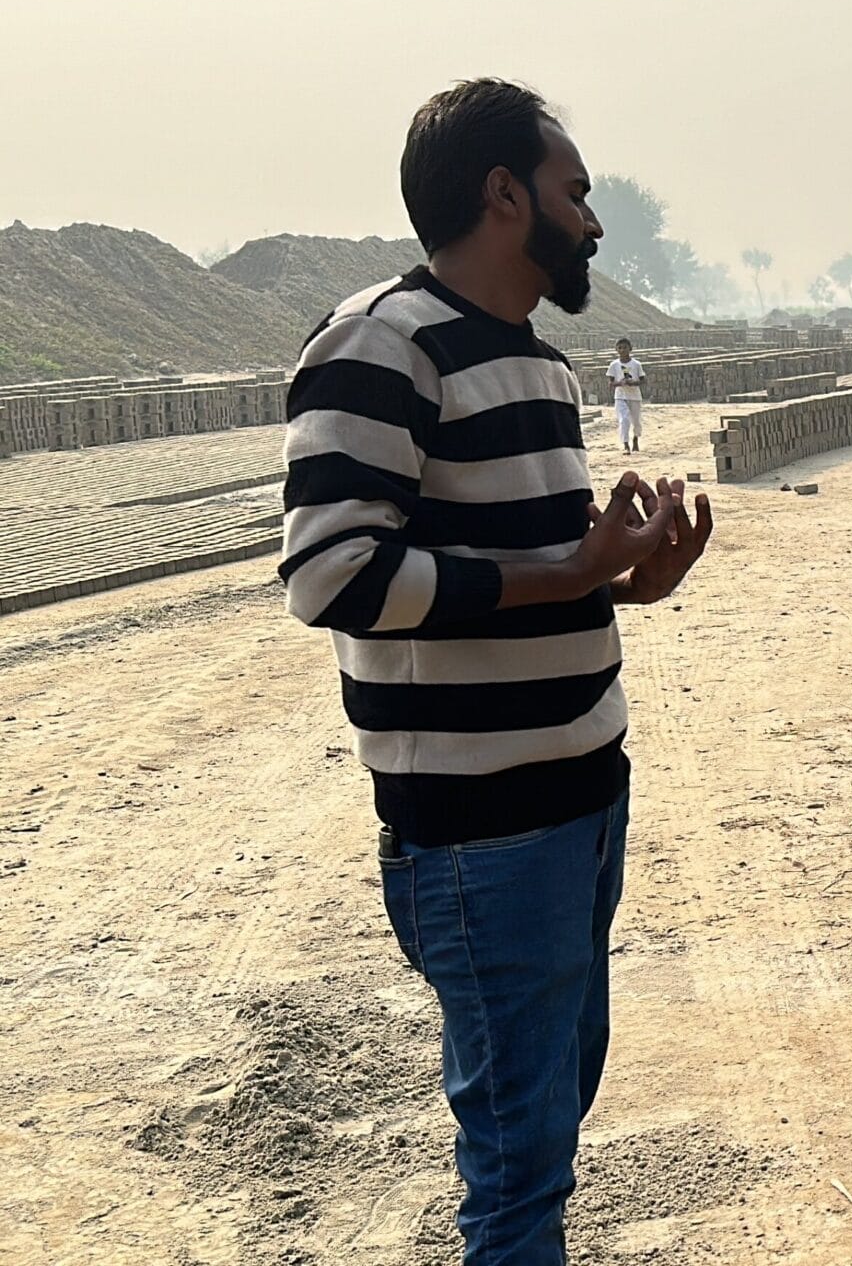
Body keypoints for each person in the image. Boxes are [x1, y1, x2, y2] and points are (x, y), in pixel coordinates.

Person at [279, 79, 714, 1265]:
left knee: (548, 1121)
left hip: (579, 803)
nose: (594, 221)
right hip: (482, 838)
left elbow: (534, 574)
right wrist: (573, 567)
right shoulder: (382, 343)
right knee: (519, 1173)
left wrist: (630, 577)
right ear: (505, 194)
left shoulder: (536, 366)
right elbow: (330, 575)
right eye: (576, 193)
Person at [606, 337, 646, 452]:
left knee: (636, 422)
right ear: (616, 350)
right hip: (620, 396)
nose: (622, 350)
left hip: (635, 397)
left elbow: (643, 380)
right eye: (620, 348)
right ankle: (625, 444)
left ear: (630, 349)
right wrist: (620, 383)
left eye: (625, 347)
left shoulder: (636, 364)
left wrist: (634, 383)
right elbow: (610, 382)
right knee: (624, 419)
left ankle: (635, 439)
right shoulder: (614, 365)